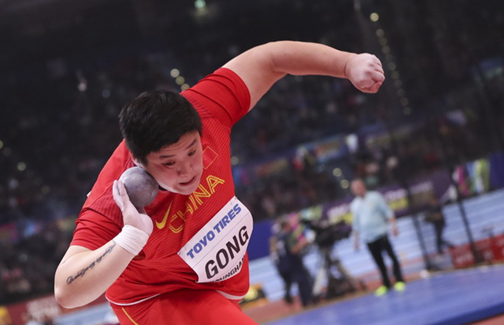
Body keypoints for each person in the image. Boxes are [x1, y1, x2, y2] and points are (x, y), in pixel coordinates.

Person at [54, 40, 385, 324]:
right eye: (168, 163)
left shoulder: (206, 109)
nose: (187, 170)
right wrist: (130, 238)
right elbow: (66, 290)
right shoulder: (116, 199)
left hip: (217, 285)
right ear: (139, 162)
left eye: (192, 151)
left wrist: (347, 63)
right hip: (158, 298)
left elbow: (270, 59)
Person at [350, 178, 405, 296]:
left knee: (391, 256)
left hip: (381, 233)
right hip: (368, 238)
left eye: (359, 186)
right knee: (379, 262)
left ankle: (399, 280)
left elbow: (387, 211)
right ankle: (386, 284)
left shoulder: (375, 197)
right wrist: (355, 240)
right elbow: (356, 224)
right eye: (355, 188)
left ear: (363, 186)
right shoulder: (354, 205)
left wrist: (394, 226)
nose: (358, 190)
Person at [271, 216, 314, 307]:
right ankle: (306, 300)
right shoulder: (289, 235)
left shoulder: (277, 238)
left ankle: (288, 297)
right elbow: (293, 249)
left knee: (290, 282)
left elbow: (274, 253)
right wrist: (303, 243)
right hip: (293, 263)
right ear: (286, 225)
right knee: (303, 280)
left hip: (283, 265)